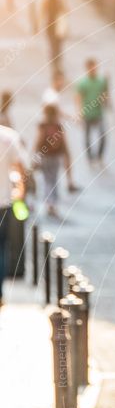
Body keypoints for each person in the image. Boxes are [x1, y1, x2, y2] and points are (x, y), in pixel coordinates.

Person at [0, 124, 28, 308]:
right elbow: (20, 167)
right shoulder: (8, 137)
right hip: (3, 202)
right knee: (1, 248)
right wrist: (20, 190)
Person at [42, 69, 80, 192]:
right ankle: (67, 183)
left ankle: (69, 182)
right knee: (64, 155)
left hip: (54, 129)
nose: (62, 83)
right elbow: (53, 111)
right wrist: (72, 117)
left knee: (65, 155)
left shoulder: (51, 93)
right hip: (55, 129)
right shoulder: (51, 95)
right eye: (60, 81)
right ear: (55, 80)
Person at [34, 103, 66, 218]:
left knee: (47, 180)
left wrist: (35, 157)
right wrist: (66, 156)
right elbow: (64, 143)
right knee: (54, 180)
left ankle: (49, 203)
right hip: (56, 156)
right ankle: (53, 203)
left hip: (45, 156)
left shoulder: (43, 125)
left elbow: (38, 141)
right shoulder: (58, 126)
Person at [75, 58, 108, 166]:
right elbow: (78, 98)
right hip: (87, 114)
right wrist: (79, 114)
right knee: (87, 137)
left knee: (103, 135)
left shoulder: (101, 81)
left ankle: (99, 157)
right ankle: (90, 158)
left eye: (95, 67)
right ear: (87, 69)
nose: (94, 69)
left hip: (99, 113)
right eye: (91, 67)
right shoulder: (83, 83)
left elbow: (105, 96)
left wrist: (104, 99)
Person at [41, 0, 66, 71]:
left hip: (50, 25)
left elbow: (43, 13)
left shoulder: (46, 0)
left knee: (53, 44)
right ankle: (57, 61)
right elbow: (65, 11)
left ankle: (54, 62)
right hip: (58, 25)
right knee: (58, 45)